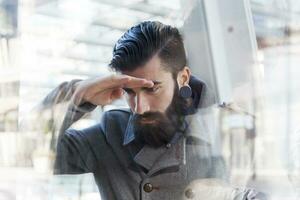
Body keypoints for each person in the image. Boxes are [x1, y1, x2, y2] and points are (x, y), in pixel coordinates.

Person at [41, 21, 265, 200]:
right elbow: (24, 155)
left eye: (153, 89)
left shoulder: (229, 128)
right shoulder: (110, 135)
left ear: (183, 78)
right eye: (129, 91)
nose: (140, 108)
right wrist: (78, 96)